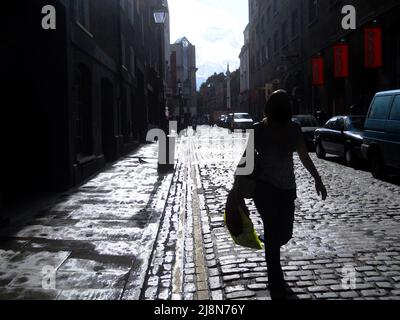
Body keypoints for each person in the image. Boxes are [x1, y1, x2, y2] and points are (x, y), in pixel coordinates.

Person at [236, 90, 327, 300]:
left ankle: (270, 241)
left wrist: (317, 178)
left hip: (287, 188)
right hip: (264, 188)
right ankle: (275, 281)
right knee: (273, 230)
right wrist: (237, 188)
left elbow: (304, 156)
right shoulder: (258, 129)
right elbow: (246, 158)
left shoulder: (294, 129)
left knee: (285, 233)